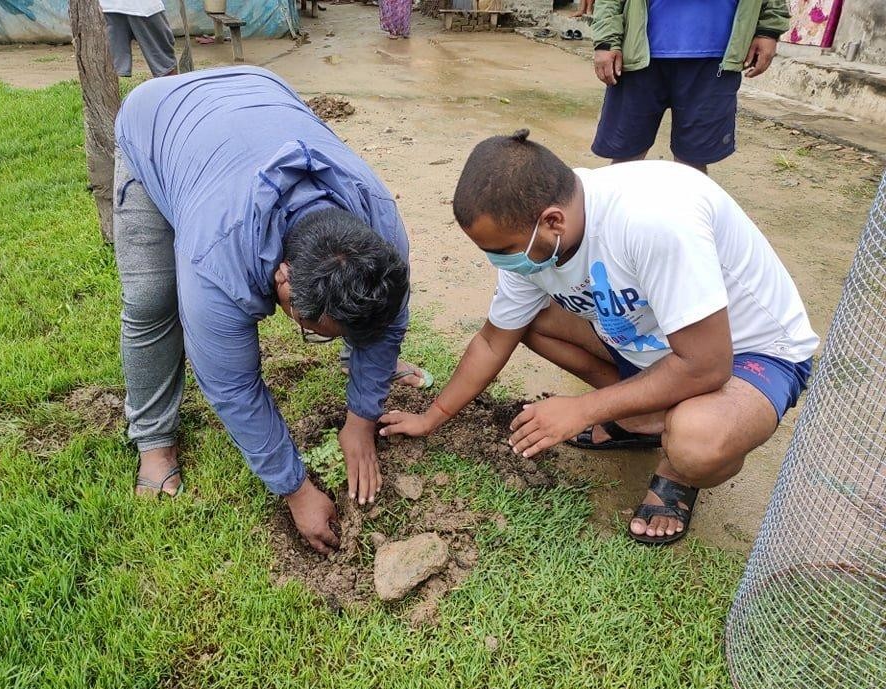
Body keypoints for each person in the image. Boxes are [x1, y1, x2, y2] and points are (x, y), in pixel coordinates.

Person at [379, 130, 818, 546]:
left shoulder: (653, 220)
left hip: (747, 354)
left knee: (695, 440)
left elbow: (707, 364)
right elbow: (495, 340)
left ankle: (677, 467)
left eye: (503, 251)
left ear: (552, 221)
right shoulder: (536, 240)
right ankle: (645, 419)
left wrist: (582, 410)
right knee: (528, 322)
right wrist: (431, 417)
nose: (500, 263)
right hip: (651, 341)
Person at [114, 67, 431, 554]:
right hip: (156, 122)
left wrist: (362, 419)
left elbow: (388, 323)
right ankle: (154, 441)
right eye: (316, 331)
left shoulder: (382, 229)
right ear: (282, 279)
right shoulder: (215, 258)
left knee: (369, 314)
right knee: (152, 300)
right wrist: (296, 490)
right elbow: (234, 386)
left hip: (258, 87)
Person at [590, 0, 790, 173]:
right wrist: (606, 41)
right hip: (639, 54)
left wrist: (768, 30)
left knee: (694, 161)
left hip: (715, 61)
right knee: (625, 157)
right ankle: (615, 216)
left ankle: (687, 216)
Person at [100, 0, 177, 78]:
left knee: (112, 66)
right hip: (143, 7)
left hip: (108, 7)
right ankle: (173, 88)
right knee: (165, 65)